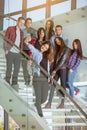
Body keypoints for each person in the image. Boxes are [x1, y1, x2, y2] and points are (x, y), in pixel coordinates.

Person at [24, 37, 52, 117]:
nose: (44, 48)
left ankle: (36, 104)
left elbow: (48, 69)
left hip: (45, 79)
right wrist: (26, 42)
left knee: (44, 98)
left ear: (47, 49)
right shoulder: (36, 52)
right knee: (38, 97)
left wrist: (49, 79)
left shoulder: (47, 57)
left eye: (46, 48)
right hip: (37, 77)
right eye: (44, 46)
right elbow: (31, 48)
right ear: (42, 45)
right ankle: (40, 115)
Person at [45, 37, 71, 109]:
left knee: (63, 86)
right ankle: (49, 103)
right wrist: (53, 70)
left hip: (63, 69)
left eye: (58, 40)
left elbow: (62, 61)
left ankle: (62, 104)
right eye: (56, 41)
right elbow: (55, 61)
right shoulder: (57, 49)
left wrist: (55, 70)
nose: (57, 42)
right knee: (53, 85)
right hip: (57, 70)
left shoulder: (67, 49)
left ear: (61, 40)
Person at [3, 17, 25, 91]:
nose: (22, 24)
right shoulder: (10, 28)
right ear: (17, 22)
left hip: (18, 53)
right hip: (10, 51)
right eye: (21, 22)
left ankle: (14, 83)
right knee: (9, 68)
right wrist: (6, 49)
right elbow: (6, 39)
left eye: (23, 23)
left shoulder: (22, 32)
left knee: (17, 69)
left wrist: (21, 51)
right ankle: (7, 81)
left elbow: (21, 42)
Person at [22, 18, 37, 85]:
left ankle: (32, 81)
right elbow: (21, 40)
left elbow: (35, 41)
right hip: (24, 50)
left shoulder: (33, 31)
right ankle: (26, 81)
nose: (29, 24)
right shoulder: (22, 31)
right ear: (25, 23)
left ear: (31, 23)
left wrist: (29, 40)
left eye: (30, 22)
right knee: (24, 66)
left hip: (30, 50)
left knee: (31, 66)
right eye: (27, 22)